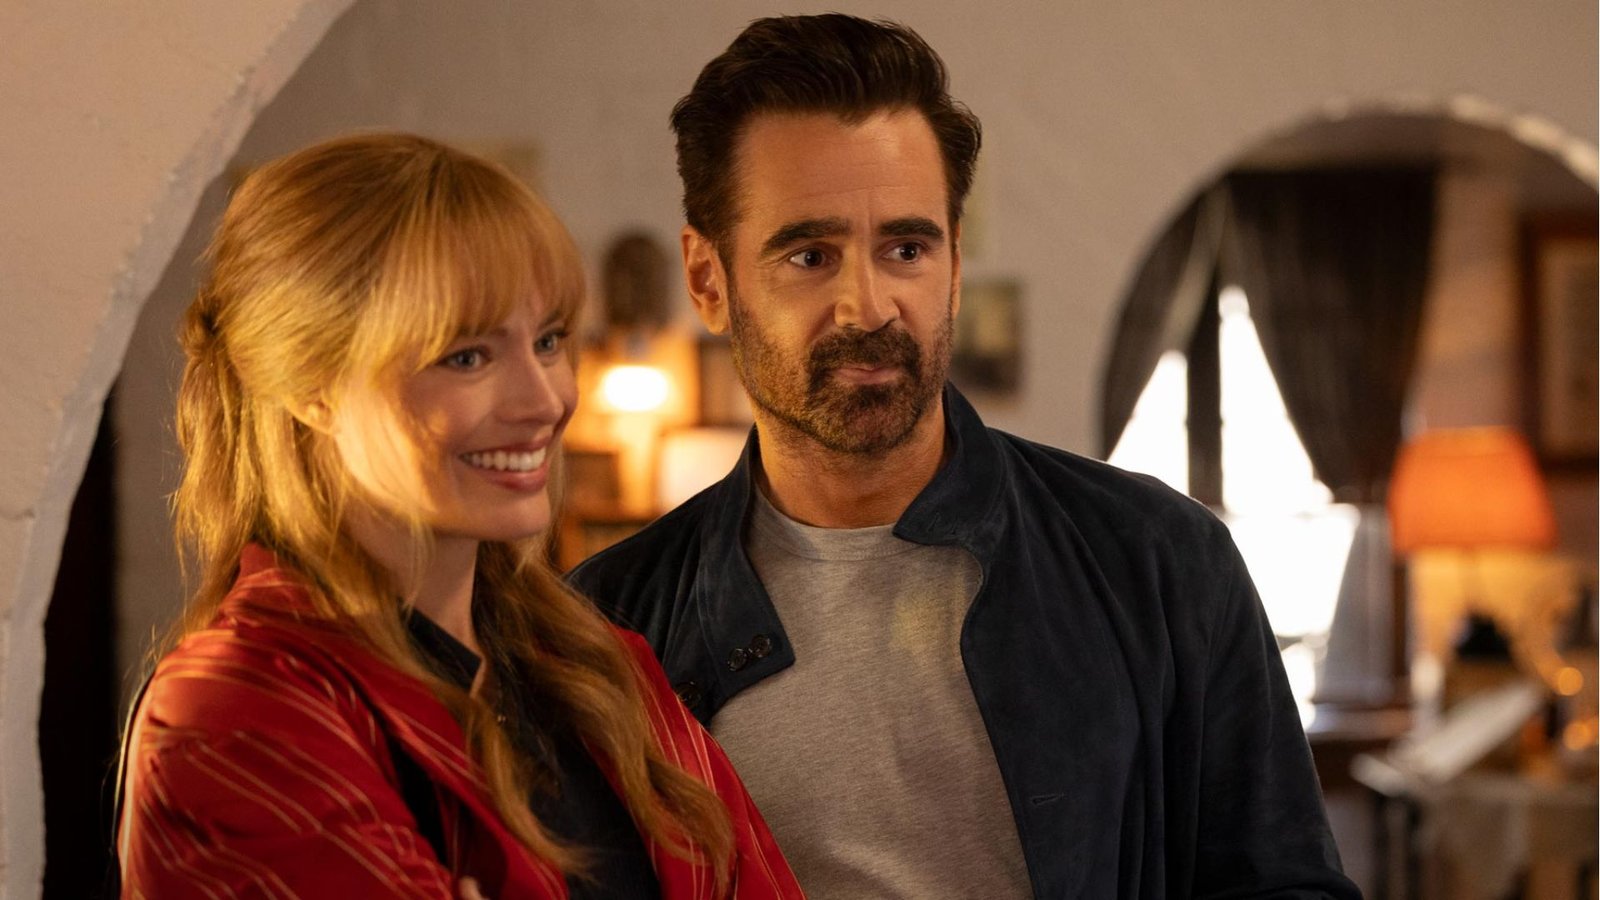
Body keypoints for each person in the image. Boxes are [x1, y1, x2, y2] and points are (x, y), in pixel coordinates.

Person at [569, 14, 1361, 899]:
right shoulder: (603, 628)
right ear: (708, 279)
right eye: (810, 255)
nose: (869, 306)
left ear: (952, 268)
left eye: (906, 249)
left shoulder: (1159, 559)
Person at [116, 133, 803, 900]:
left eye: (547, 341)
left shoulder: (600, 665)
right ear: (314, 387)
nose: (544, 400)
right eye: (467, 356)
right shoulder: (234, 714)